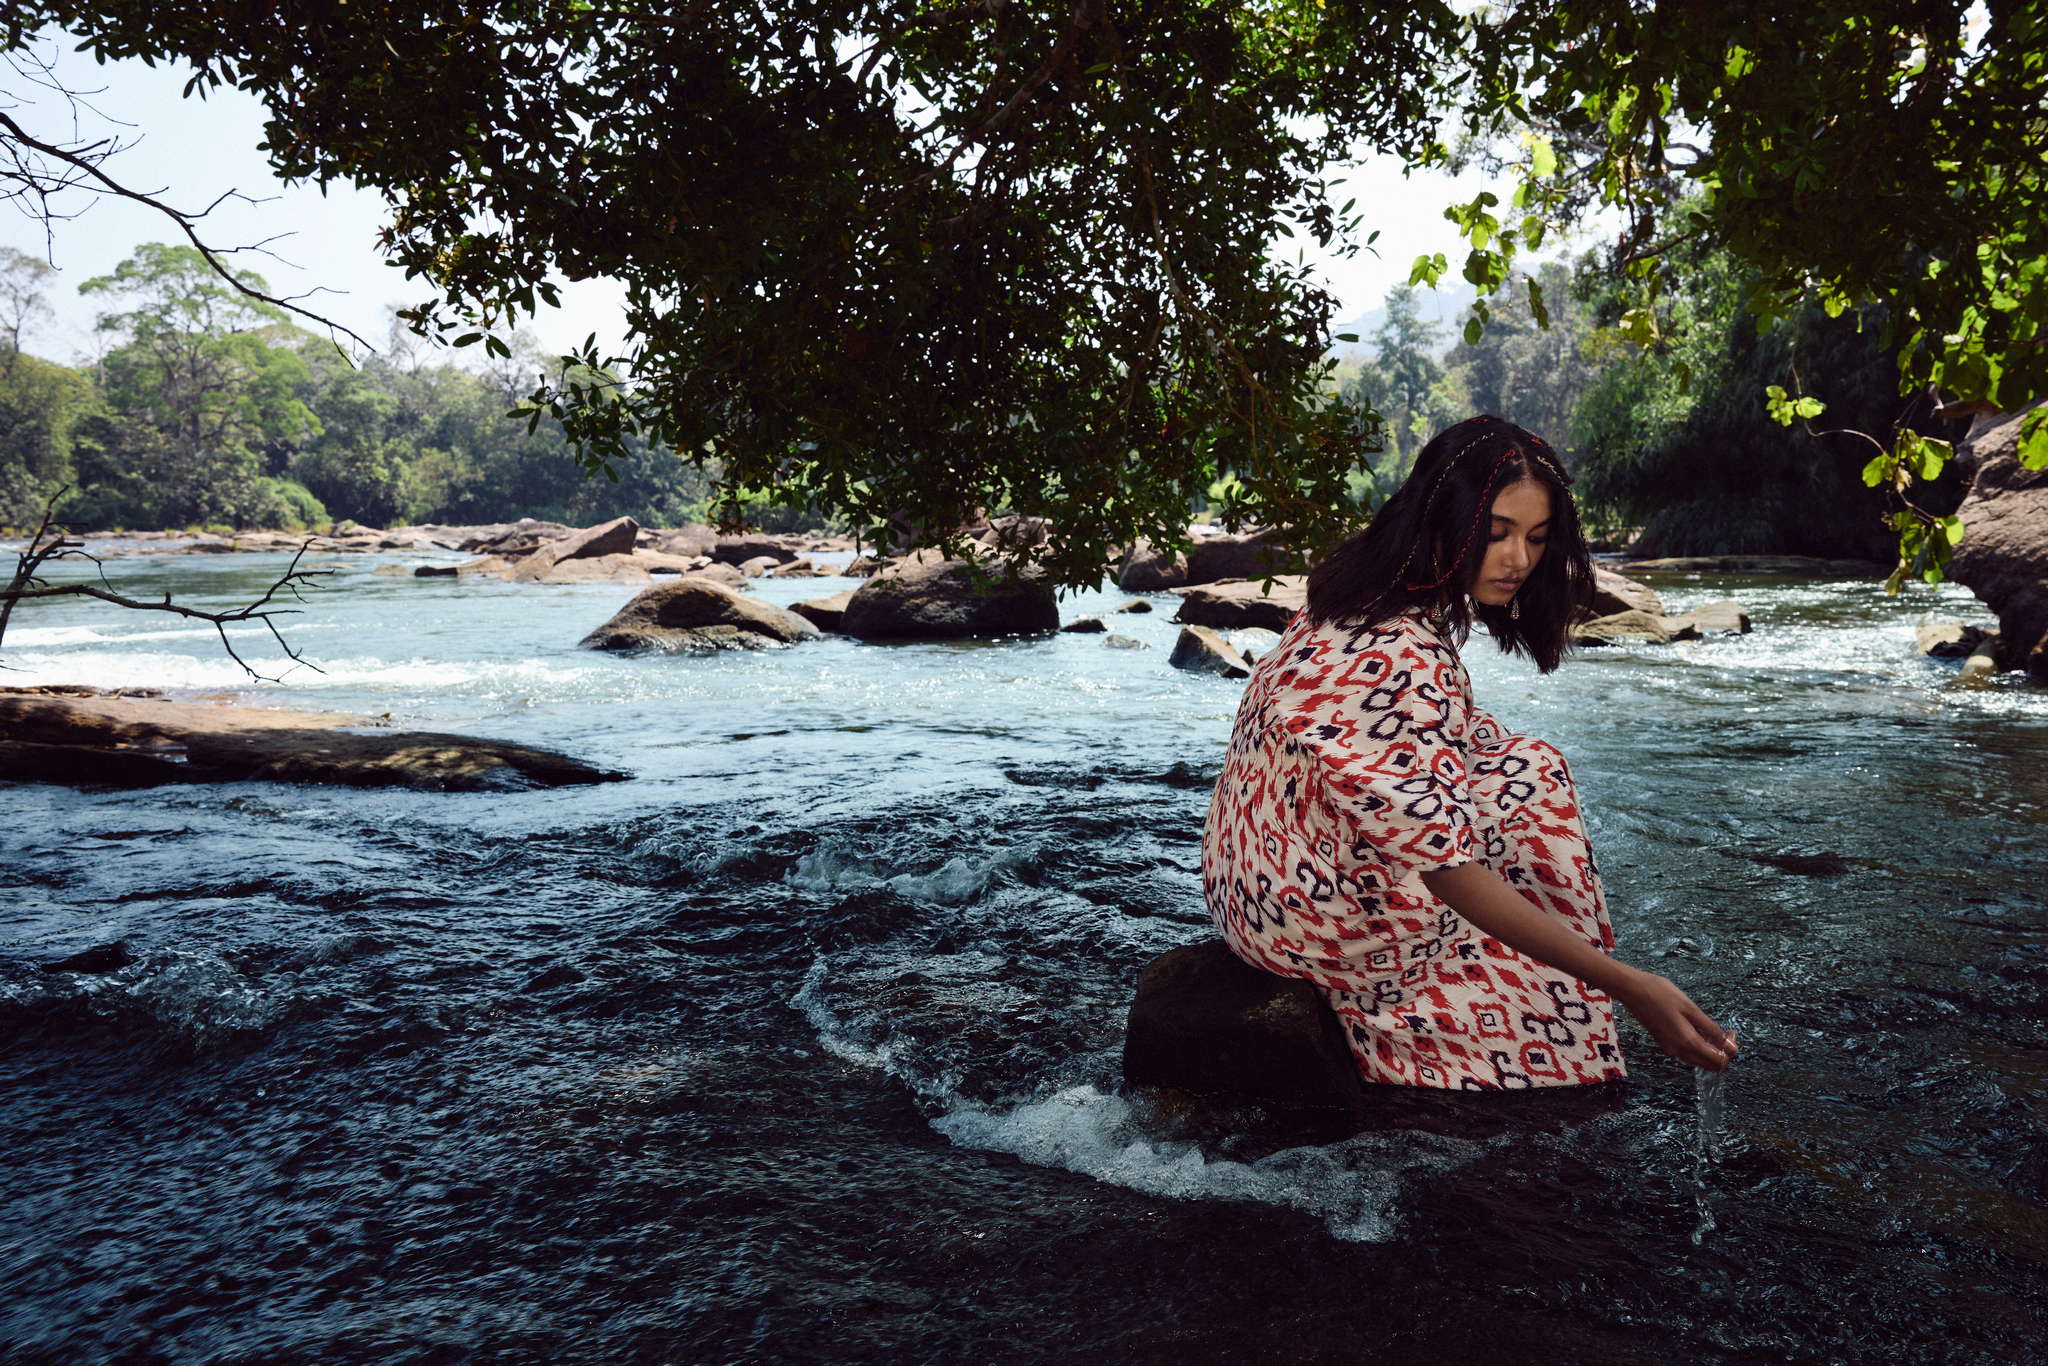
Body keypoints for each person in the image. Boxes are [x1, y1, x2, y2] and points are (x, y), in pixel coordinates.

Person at [1200, 414, 1737, 1090]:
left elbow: (1412, 754)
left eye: (1536, 539)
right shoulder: (1402, 652)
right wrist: (1629, 985)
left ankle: (1547, 955)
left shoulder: (1358, 595)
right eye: (1497, 533)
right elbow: (1445, 869)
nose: (1518, 559)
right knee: (1552, 968)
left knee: (1527, 767)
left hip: (1248, 873)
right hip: (1302, 918)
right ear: (1443, 520)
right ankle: (1502, 998)